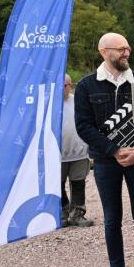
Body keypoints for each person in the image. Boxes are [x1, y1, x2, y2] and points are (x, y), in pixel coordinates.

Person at [75, 33, 134, 267]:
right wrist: (114, 150)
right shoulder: (87, 86)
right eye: (121, 49)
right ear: (103, 51)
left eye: (128, 48)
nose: (126, 53)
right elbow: (83, 126)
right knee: (112, 219)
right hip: (106, 162)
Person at [60, 73, 93, 228]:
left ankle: (77, 214)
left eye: (64, 86)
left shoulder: (77, 102)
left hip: (79, 152)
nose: (61, 89)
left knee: (78, 183)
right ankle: (62, 212)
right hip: (57, 154)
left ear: (70, 86)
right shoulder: (48, 103)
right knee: (57, 185)